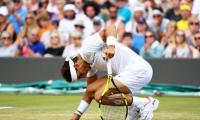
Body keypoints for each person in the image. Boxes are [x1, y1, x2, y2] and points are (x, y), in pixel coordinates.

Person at [61, 25, 159, 120]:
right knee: (96, 93)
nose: (84, 76)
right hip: (130, 73)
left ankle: (145, 103)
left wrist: (111, 46)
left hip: (140, 70)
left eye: (80, 75)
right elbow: (89, 92)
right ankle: (134, 108)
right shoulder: (90, 66)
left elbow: (110, 27)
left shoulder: (87, 48)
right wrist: (76, 116)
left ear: (76, 66)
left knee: (100, 96)